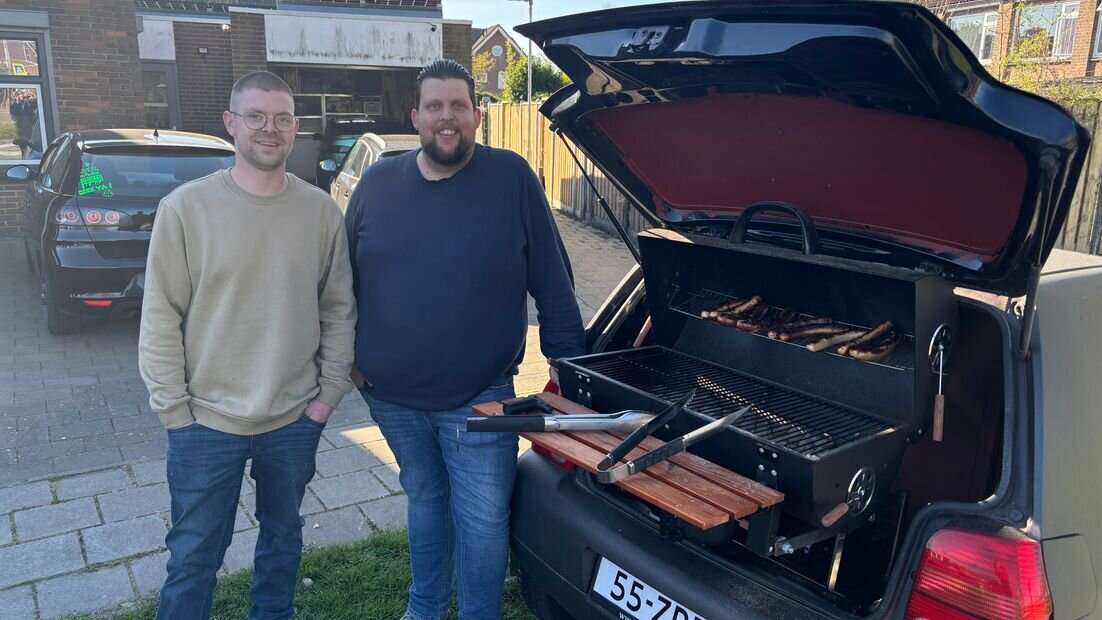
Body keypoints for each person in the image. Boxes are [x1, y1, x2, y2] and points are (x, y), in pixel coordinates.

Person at [344, 59, 586, 620]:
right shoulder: (378, 180)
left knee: (481, 523)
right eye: (435, 106)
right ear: (415, 116)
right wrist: (350, 365)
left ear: (477, 115)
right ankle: (424, 608)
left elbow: (553, 282)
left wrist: (571, 374)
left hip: (481, 400)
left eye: (458, 106)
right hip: (389, 397)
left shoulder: (512, 177)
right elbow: (339, 279)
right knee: (426, 499)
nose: (446, 118)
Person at [138, 71, 356, 620]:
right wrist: (175, 411)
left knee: (282, 544)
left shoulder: (322, 213)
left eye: (282, 118)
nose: (269, 128)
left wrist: (327, 398)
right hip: (204, 423)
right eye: (255, 116)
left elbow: (338, 309)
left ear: (296, 129)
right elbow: (161, 316)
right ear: (231, 124)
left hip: (293, 419)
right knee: (193, 557)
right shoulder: (185, 209)